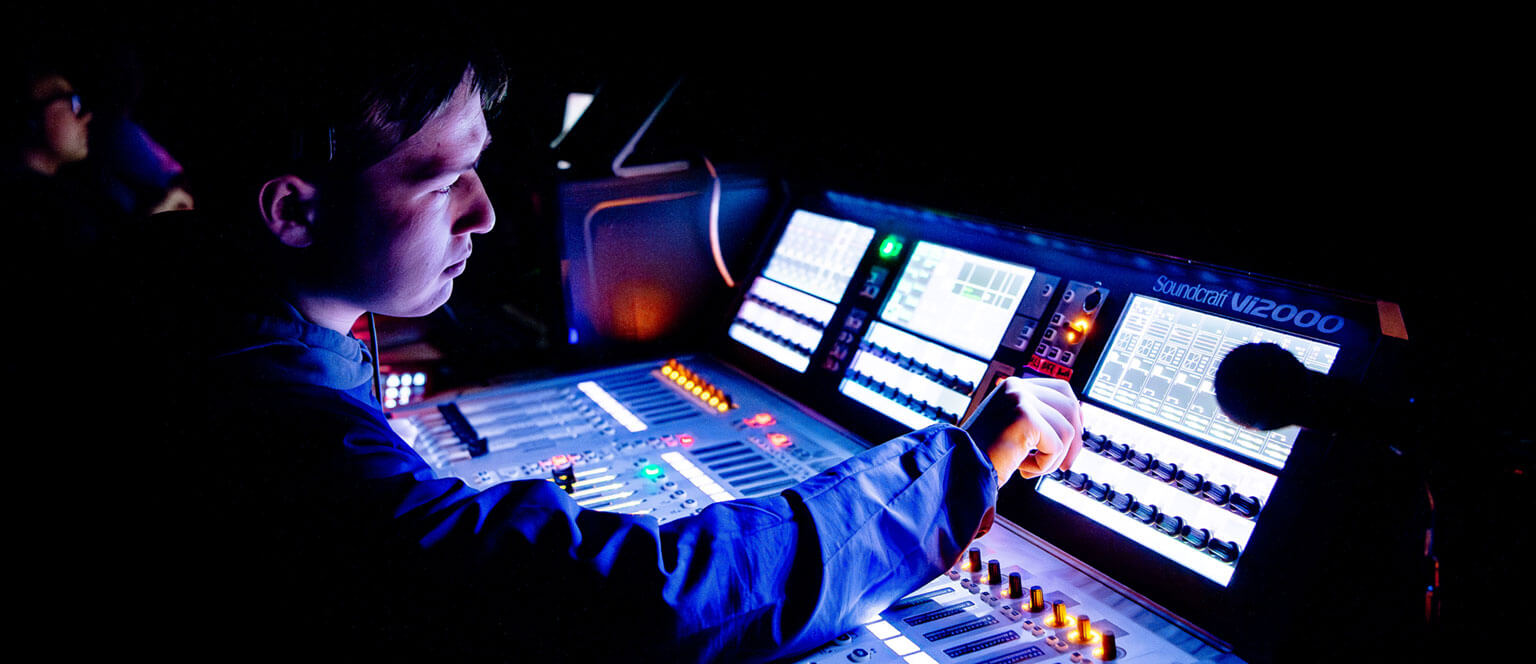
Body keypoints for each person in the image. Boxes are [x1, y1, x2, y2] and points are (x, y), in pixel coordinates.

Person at [94, 17, 1085, 663]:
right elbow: (639, 605)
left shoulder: (207, 308)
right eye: (441, 181)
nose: (485, 213)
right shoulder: (261, 419)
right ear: (293, 211)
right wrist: (954, 471)